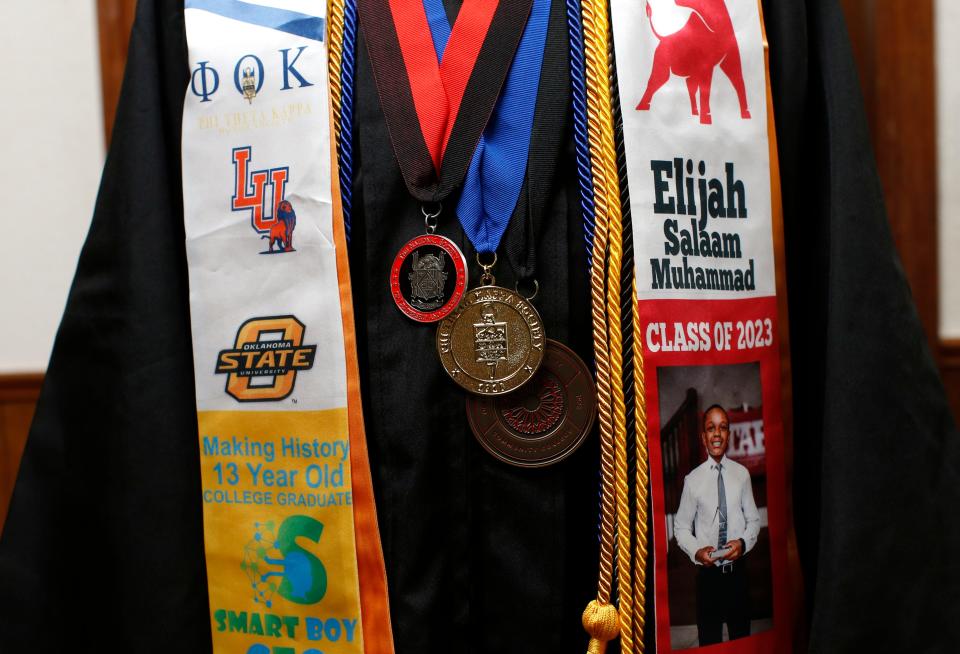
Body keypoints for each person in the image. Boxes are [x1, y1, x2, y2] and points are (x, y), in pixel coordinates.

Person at [675, 404, 760, 645]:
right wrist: (697, 551)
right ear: (703, 437)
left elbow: (753, 520)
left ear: (729, 435)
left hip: (737, 576)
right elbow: (680, 526)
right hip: (708, 578)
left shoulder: (742, 475)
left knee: (741, 640)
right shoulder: (693, 481)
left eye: (723, 428)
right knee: (709, 641)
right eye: (711, 428)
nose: (717, 434)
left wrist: (743, 543)